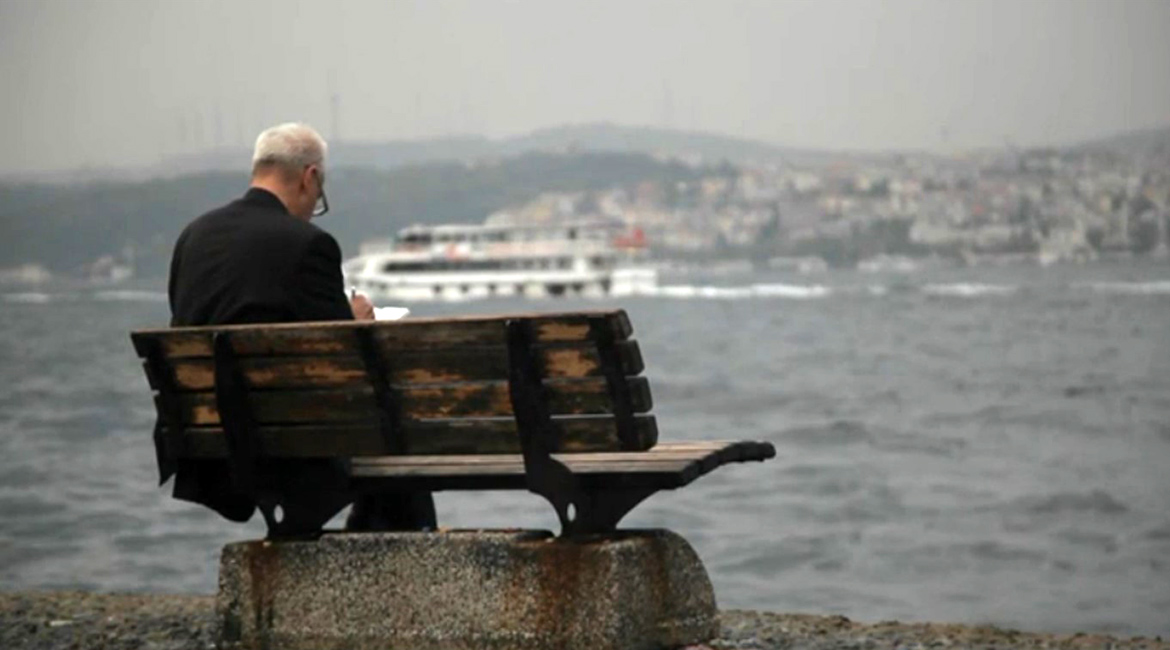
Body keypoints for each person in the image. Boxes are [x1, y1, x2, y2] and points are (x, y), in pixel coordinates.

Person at [162, 122, 435, 531]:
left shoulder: (193, 237)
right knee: (396, 436)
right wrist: (357, 323)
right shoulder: (308, 244)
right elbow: (347, 361)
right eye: (319, 195)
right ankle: (390, 572)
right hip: (287, 443)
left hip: (208, 441)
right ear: (310, 178)